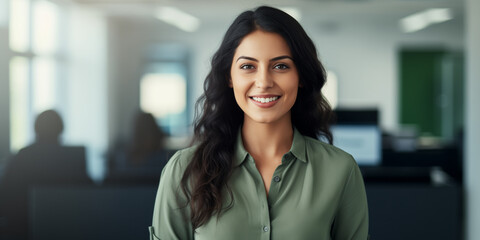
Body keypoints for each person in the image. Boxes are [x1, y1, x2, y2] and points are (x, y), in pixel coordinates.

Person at [150, 6, 369, 240]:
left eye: (281, 66)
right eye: (248, 67)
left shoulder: (340, 170)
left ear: (301, 76)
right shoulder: (184, 171)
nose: (263, 81)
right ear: (229, 77)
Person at [0, 110, 90, 240]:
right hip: (67, 229)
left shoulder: (22, 157)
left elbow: (5, 199)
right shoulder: (71, 159)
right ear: (61, 130)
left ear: (36, 130)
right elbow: (88, 194)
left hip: (24, 230)